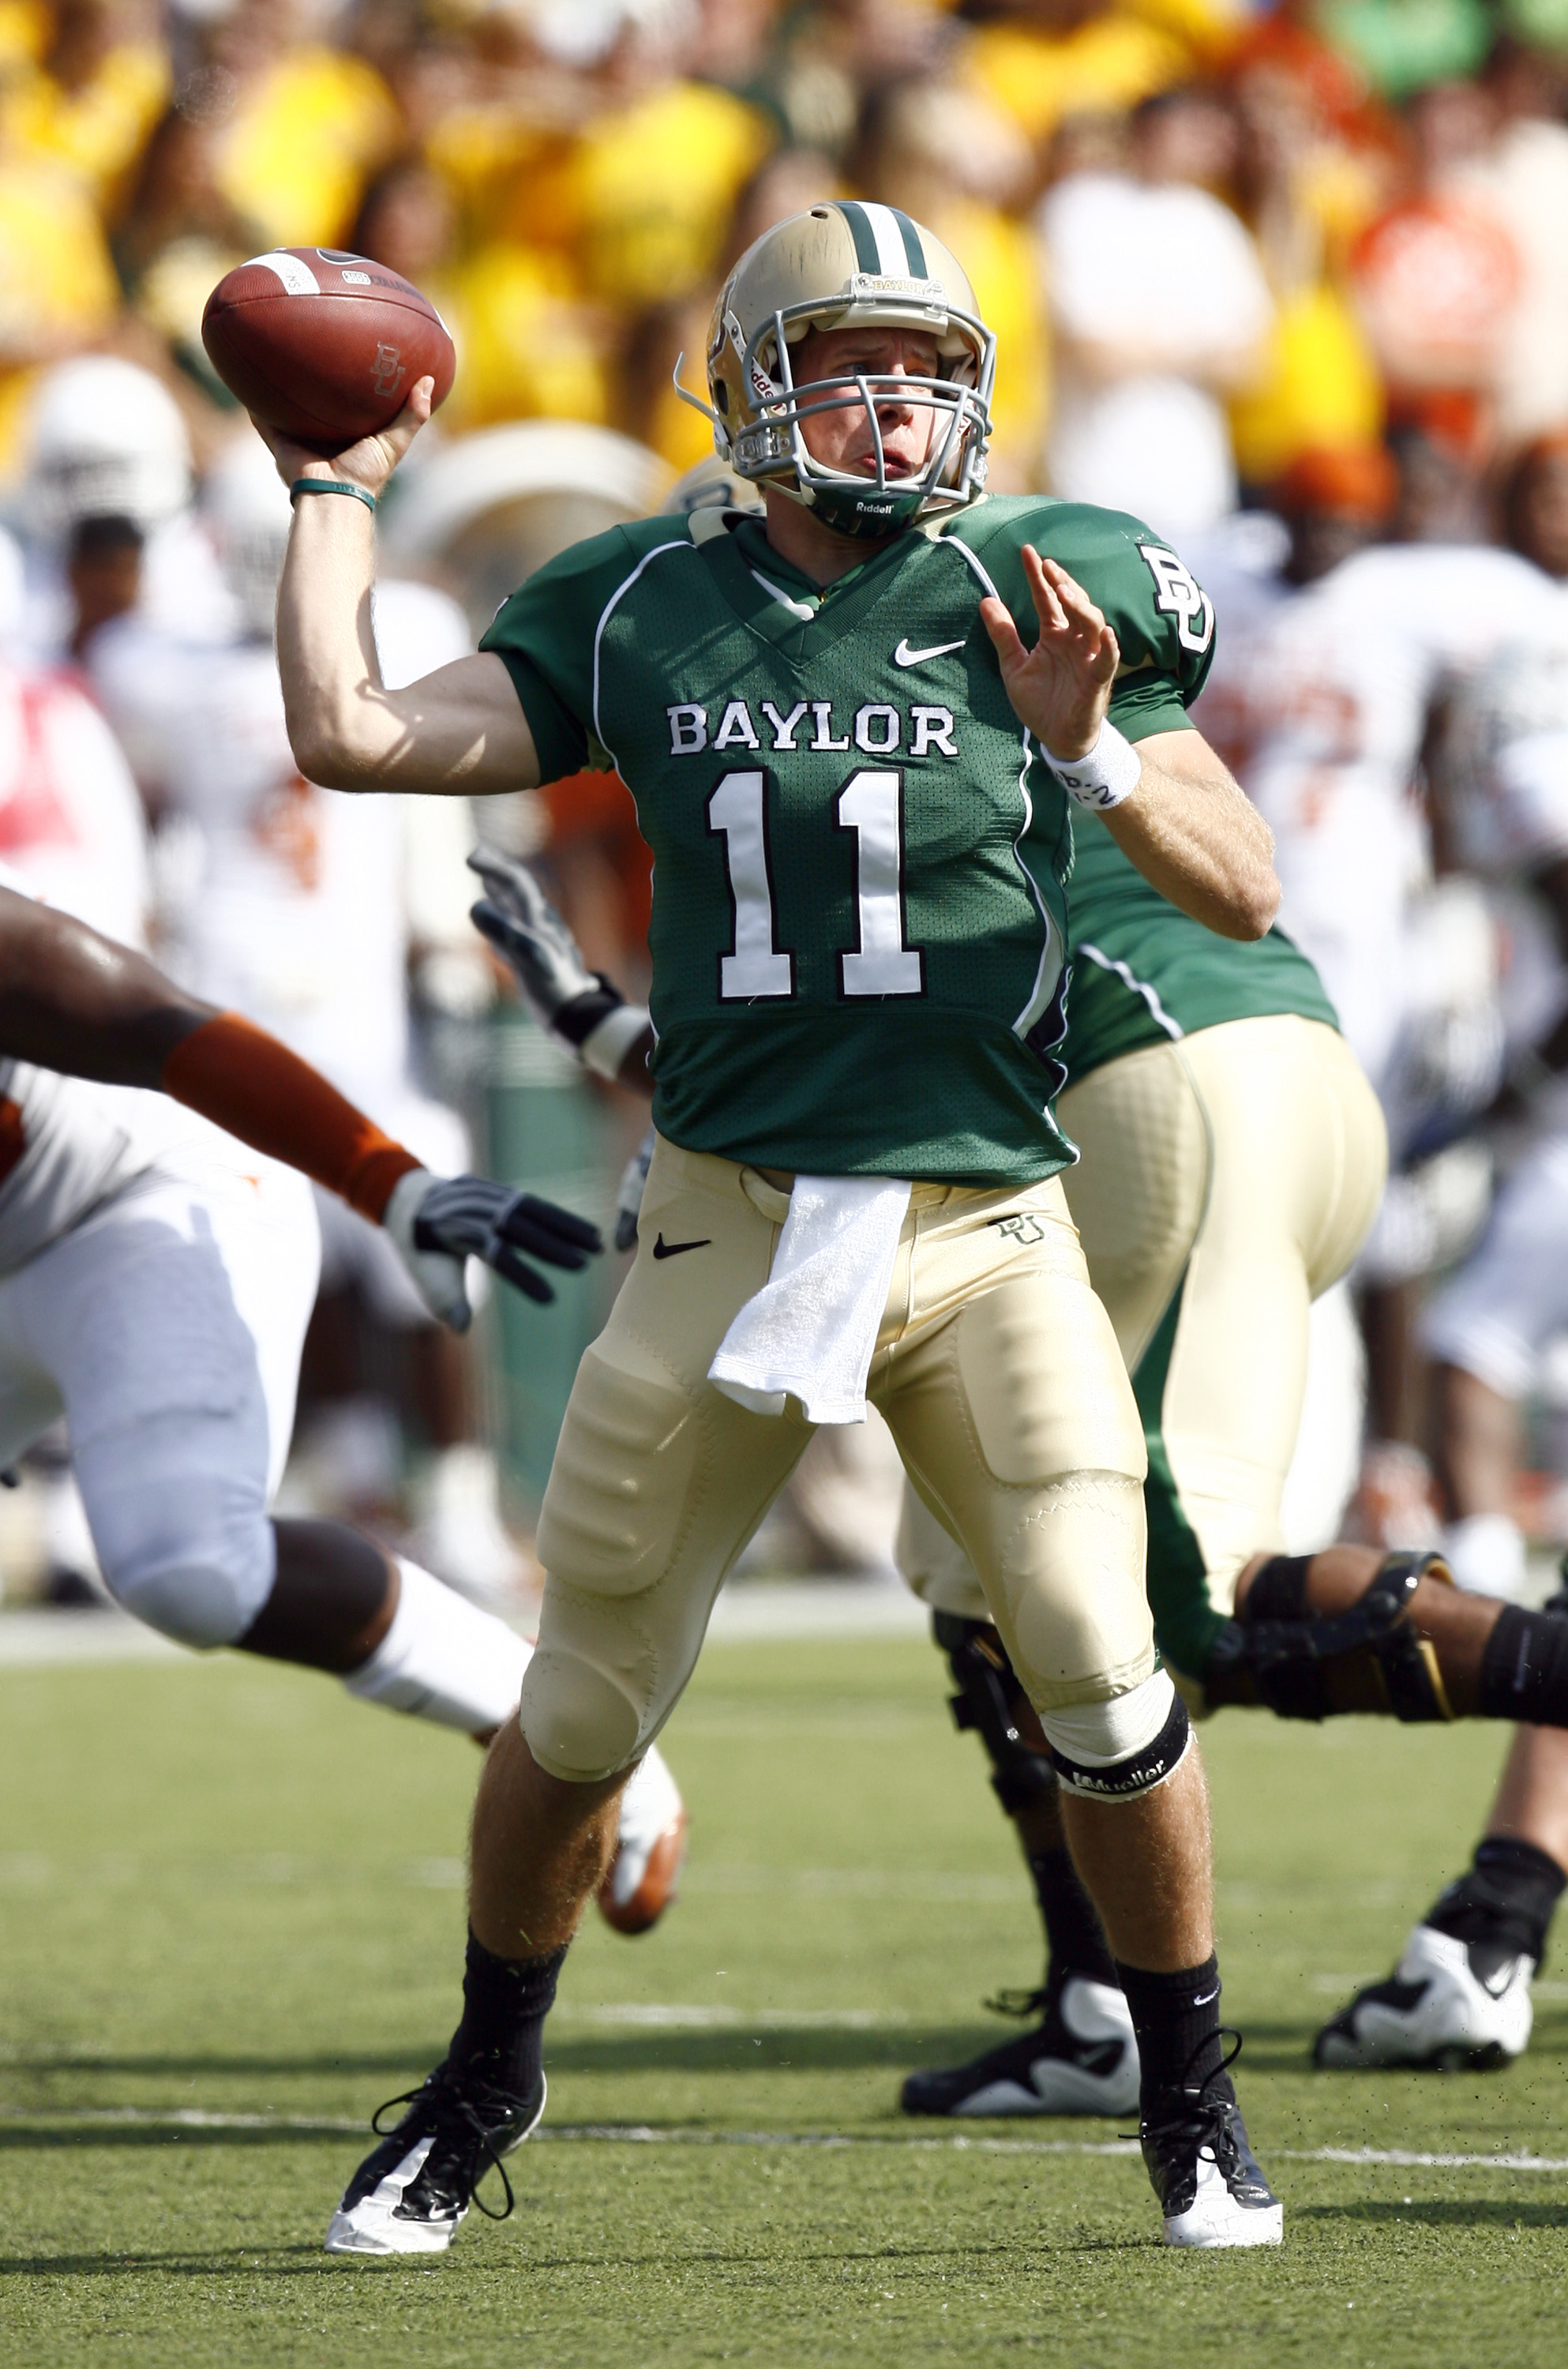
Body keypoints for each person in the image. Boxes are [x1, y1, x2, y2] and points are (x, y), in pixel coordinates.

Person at [259, 199, 1285, 2254]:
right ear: (745, 387)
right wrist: (326, 493)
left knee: (1096, 1658)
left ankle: (1192, 2098)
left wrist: (1086, 750)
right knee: (578, 1708)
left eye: (927, 367)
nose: (899, 407)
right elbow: (352, 736)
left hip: (986, 1220)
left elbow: (1240, 882)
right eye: (850, 363)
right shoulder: (639, 597)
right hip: (726, 1218)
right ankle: (477, 2085)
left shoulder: (1047, 583)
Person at [0, 876, 685, 1936]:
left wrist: (391, 1186)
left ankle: (537, 1709)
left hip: (135, 1212)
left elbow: (171, 1032)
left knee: (185, 1567)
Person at [91, 434, 526, 1601]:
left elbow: (425, 819)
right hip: (236, 993)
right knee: (292, 1255)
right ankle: (356, 1478)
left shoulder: (408, 636)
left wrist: (443, 929)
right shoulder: (158, 668)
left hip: (366, 1008)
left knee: (429, 1231)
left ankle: (462, 1499)